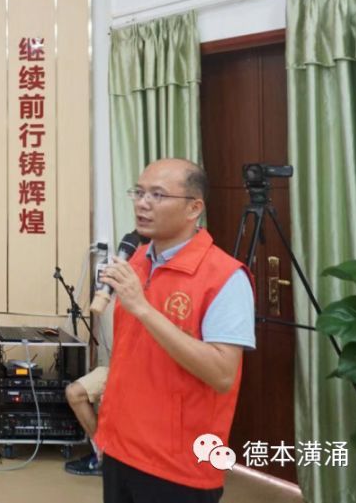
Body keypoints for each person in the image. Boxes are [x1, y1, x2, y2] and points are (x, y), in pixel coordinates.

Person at [93, 158, 255, 503]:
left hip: (178, 465)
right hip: (120, 447)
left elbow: (222, 374)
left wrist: (143, 308)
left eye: (158, 195)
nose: (143, 203)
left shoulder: (225, 277)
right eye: (138, 192)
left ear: (194, 208)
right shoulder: (135, 260)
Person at [64, 365, 108, 475]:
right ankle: (99, 452)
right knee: (74, 392)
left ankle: (104, 459)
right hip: (114, 367)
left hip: (135, 372)